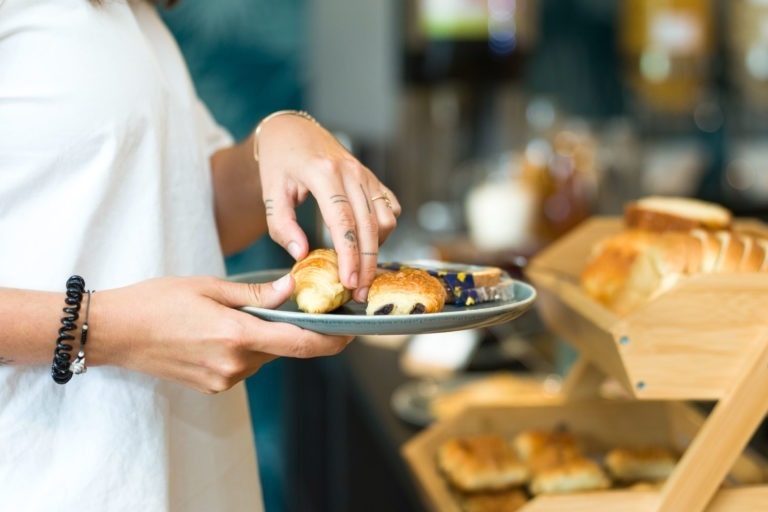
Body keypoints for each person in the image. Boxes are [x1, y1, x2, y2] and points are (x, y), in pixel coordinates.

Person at [0, 0, 401, 510]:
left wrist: (277, 137)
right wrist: (106, 328)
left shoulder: (131, 16)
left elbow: (185, 208)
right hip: (45, 478)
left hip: (189, 474)